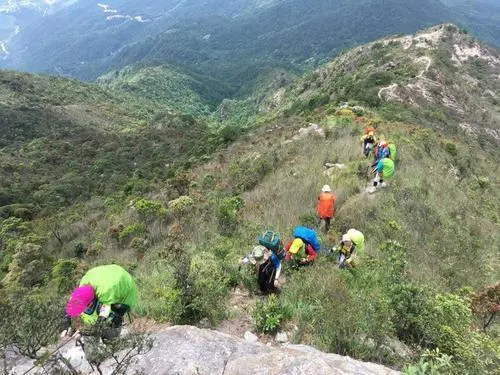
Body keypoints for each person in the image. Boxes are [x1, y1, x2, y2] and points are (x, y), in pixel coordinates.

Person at [61, 264, 138, 343]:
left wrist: (84, 332)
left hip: (124, 285)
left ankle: (113, 342)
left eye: (87, 306)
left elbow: (102, 319)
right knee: (91, 319)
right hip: (105, 278)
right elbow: (70, 307)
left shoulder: (106, 293)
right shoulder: (82, 286)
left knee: (113, 317)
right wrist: (65, 326)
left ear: (92, 300)